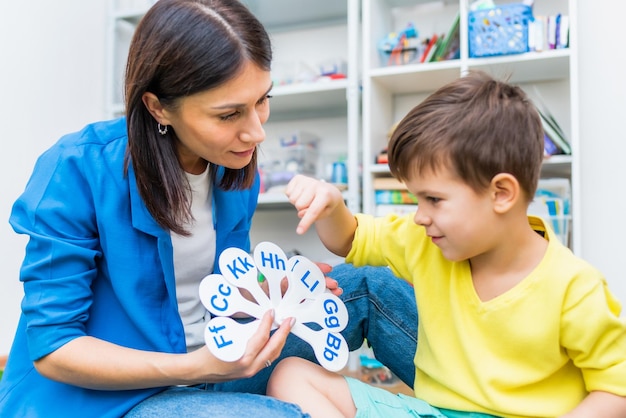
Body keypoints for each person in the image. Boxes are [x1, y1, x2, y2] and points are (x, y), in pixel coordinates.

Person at [0, 0, 419, 417]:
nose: (256, 131)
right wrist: (196, 365)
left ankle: (475, 398)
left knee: (367, 289)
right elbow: (54, 350)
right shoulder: (76, 169)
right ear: (157, 106)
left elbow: (210, 290)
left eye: (262, 100)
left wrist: (277, 287)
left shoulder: (233, 171)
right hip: (111, 398)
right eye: (229, 114)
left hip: (214, 359)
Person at [269, 71, 626, 417]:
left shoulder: (574, 287)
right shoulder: (423, 240)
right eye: (417, 200)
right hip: (432, 412)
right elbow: (350, 239)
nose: (421, 216)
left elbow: (616, 389)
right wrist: (331, 206)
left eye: (434, 200)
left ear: (501, 193)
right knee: (290, 375)